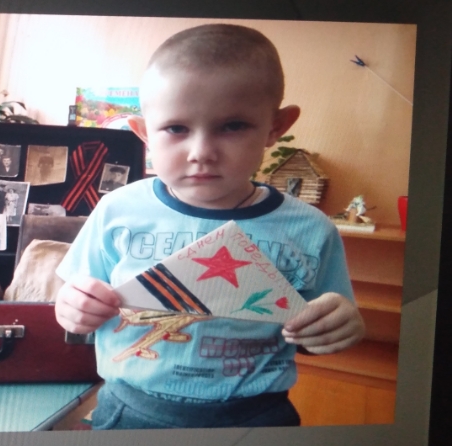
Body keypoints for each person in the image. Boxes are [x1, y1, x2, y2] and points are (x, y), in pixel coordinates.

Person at [54, 24, 365, 430]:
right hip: (130, 411)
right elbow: (73, 297)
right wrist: (72, 307)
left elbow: (314, 333)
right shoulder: (117, 211)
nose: (201, 152)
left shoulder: (310, 229)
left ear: (276, 127)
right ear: (144, 133)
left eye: (232, 126)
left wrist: (336, 327)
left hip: (257, 417)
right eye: (176, 128)